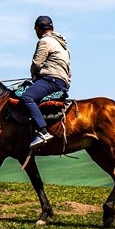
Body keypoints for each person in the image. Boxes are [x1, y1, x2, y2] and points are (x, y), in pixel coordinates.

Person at [22, 15, 70, 148]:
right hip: (62, 81)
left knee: (27, 97)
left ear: (37, 29)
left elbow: (37, 64)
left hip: (51, 79)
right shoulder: (62, 44)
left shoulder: (45, 41)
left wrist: (33, 76)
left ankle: (43, 132)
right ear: (52, 27)